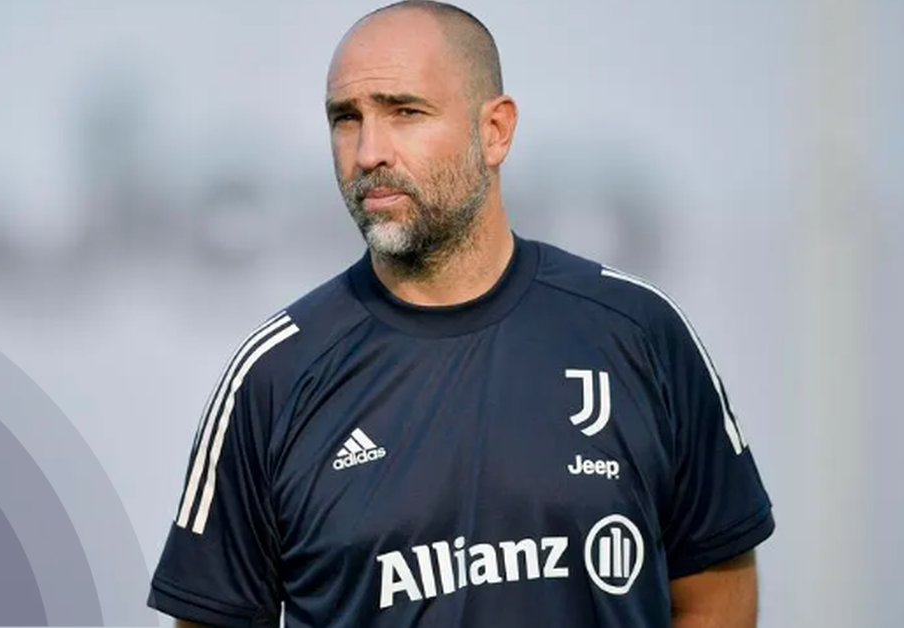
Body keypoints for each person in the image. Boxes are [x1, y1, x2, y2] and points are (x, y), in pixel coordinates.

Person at [146, 2, 774, 626]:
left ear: (495, 130)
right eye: (347, 119)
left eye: (405, 112)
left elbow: (717, 596)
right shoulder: (275, 376)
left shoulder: (639, 332)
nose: (368, 153)